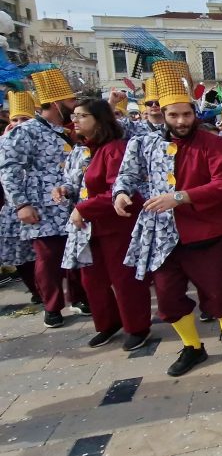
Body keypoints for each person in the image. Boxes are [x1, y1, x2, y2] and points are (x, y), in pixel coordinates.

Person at [112, 59, 222, 376]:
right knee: (168, 299)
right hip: (161, 237)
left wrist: (180, 197)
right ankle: (193, 347)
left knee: (219, 291)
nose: (181, 120)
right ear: (163, 115)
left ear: (195, 112)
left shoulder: (215, 144)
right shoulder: (142, 143)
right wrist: (121, 195)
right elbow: (126, 177)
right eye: (174, 115)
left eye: (186, 114)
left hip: (205, 232)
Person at [58, 98, 152, 350]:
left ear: (99, 121)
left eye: (82, 116)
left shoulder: (115, 149)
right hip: (87, 228)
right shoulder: (82, 150)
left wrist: (83, 207)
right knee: (92, 279)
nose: (75, 121)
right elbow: (75, 180)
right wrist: (65, 190)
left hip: (115, 224)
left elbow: (118, 188)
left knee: (124, 279)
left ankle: (137, 326)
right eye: (74, 115)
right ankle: (108, 322)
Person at [0, 69, 88, 328]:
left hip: (71, 203)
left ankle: (79, 298)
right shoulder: (25, 131)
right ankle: (52, 306)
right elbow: (8, 168)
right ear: (57, 103)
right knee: (48, 258)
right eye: (71, 102)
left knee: (77, 253)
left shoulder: (67, 131)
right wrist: (21, 204)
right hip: (42, 207)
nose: (75, 108)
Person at [0, 91, 39, 304]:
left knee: (41, 255)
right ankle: (35, 290)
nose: (19, 123)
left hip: (37, 206)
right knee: (20, 256)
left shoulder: (39, 141)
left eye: (25, 119)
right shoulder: (4, 143)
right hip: (12, 209)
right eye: (15, 119)